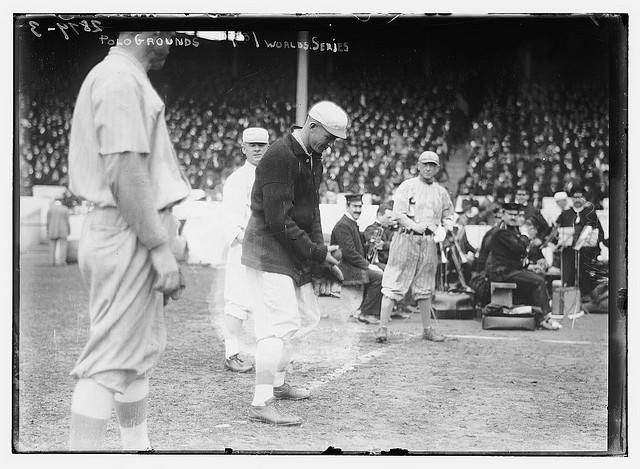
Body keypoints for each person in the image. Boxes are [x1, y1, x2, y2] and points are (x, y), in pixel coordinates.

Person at [67, 31, 190, 451]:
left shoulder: (126, 76)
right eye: (169, 34)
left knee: (137, 352)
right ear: (146, 35)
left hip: (130, 228)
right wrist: (158, 247)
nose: (173, 43)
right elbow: (124, 169)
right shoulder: (118, 78)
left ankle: (137, 448)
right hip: (127, 231)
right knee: (109, 360)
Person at [241, 101, 347, 426]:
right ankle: (262, 401)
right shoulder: (279, 156)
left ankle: (278, 382)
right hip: (268, 249)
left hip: (290, 251)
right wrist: (315, 253)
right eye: (328, 137)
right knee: (278, 325)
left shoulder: (314, 159)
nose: (330, 145)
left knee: (307, 317)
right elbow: (278, 220)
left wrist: (320, 250)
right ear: (311, 126)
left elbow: (312, 211)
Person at [375, 151, 455, 344]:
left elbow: (449, 215)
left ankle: (427, 329)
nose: (428, 168)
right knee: (393, 281)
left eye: (432, 165)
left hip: (428, 242)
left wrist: (445, 229)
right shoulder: (407, 186)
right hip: (406, 238)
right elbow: (398, 213)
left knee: (425, 286)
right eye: (425, 164)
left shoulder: (441, 192)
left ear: (437, 168)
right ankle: (382, 328)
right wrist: (415, 226)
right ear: (418, 165)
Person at [219, 127, 270, 373]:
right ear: (243, 149)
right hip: (243, 248)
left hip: (269, 250)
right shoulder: (237, 179)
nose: (258, 149)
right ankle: (232, 354)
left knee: (268, 301)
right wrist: (246, 240)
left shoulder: (273, 175)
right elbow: (229, 219)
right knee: (237, 301)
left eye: (262, 144)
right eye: (253, 145)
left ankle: (267, 353)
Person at [485, 203, 559, 330]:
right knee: (538, 281)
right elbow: (519, 248)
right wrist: (525, 235)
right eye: (510, 215)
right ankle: (545, 317)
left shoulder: (511, 230)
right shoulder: (501, 232)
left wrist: (528, 266)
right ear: (503, 215)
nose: (514, 218)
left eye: (516, 215)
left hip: (510, 269)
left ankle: (539, 317)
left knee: (537, 277)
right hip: (502, 272)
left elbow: (515, 255)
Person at [330, 194, 383, 325]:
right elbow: (349, 253)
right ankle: (366, 313)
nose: (358, 210)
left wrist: (370, 244)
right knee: (378, 276)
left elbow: (356, 249)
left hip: (351, 265)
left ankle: (361, 310)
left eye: (360, 207)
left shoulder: (350, 223)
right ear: (347, 207)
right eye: (354, 206)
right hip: (345, 268)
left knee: (381, 271)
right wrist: (367, 265)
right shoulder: (343, 225)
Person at [555, 188, 606, 301]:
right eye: (575, 197)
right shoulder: (566, 213)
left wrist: (595, 244)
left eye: (580, 197)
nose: (577, 200)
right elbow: (556, 231)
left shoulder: (590, 213)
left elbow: (600, 232)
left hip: (586, 250)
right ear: (571, 199)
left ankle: (586, 297)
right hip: (569, 249)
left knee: (585, 273)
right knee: (568, 273)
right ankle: (569, 297)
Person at [46, 199, 71, 266]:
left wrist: (48, 231)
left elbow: (48, 222)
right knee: (63, 246)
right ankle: (62, 262)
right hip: (63, 230)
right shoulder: (65, 209)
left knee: (52, 247)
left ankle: (51, 262)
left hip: (52, 230)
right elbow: (67, 221)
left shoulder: (50, 209)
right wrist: (69, 230)